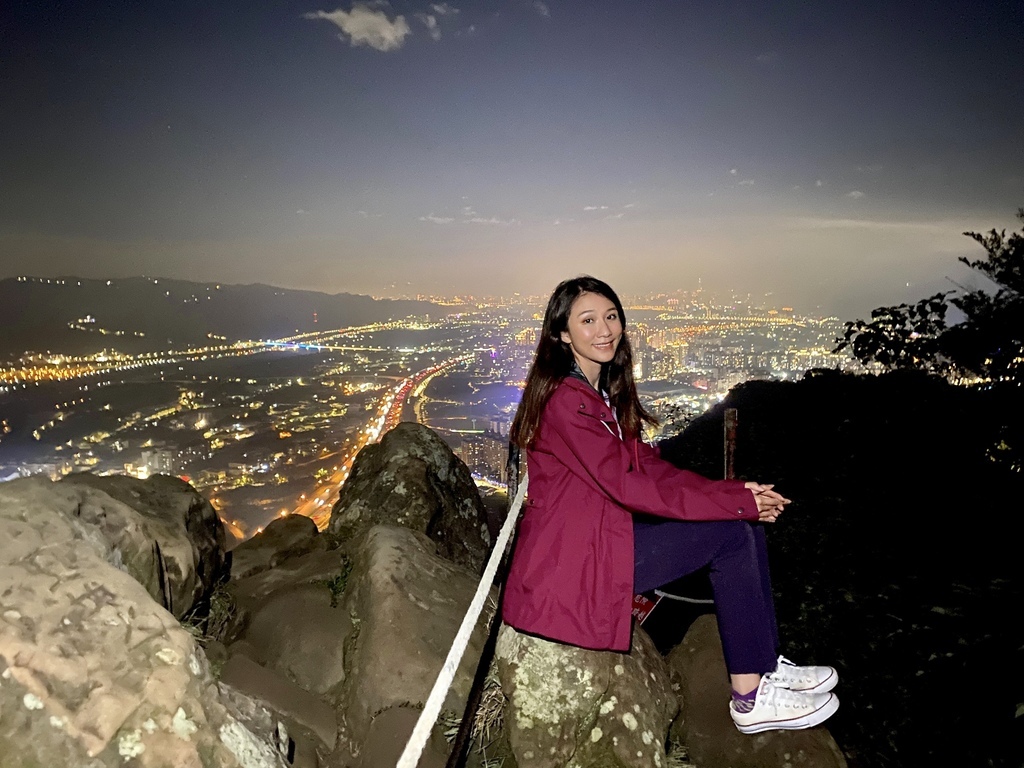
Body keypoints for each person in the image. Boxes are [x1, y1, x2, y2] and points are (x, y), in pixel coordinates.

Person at [501, 275, 839, 734]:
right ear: (562, 334)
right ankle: (749, 699)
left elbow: (649, 469)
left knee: (741, 525)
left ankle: (764, 668)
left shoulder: (598, 395)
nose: (605, 329)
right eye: (588, 320)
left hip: (599, 542)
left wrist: (737, 495)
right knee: (732, 534)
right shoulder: (567, 401)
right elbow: (627, 485)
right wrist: (734, 504)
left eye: (611, 316)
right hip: (575, 565)